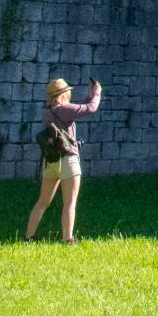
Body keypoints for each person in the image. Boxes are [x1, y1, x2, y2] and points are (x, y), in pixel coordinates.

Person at [25, 76, 102, 245]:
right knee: (69, 203)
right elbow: (90, 109)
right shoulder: (64, 109)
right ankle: (68, 240)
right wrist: (96, 94)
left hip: (51, 162)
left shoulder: (48, 111)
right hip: (68, 161)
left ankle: (28, 237)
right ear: (63, 93)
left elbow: (78, 108)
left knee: (42, 202)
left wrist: (89, 96)